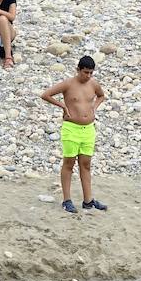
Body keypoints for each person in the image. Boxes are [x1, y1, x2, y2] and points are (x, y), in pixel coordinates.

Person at [40, 56, 107, 214]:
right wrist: (62, 105)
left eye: (91, 73)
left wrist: (94, 108)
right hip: (71, 128)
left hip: (88, 129)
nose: (88, 76)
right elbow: (46, 94)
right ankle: (67, 200)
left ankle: (88, 200)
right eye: (85, 72)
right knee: (69, 163)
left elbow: (101, 95)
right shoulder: (68, 84)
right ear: (78, 70)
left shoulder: (93, 84)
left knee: (86, 164)